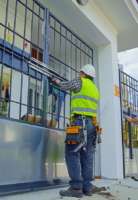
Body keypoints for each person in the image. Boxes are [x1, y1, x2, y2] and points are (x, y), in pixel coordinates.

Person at [52, 64, 99, 198]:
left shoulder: (79, 81)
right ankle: (87, 188)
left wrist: (55, 80)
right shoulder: (95, 89)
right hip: (91, 125)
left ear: (82, 74)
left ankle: (76, 187)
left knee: (72, 153)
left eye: (80, 73)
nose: (79, 75)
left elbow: (65, 85)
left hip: (79, 123)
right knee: (87, 156)